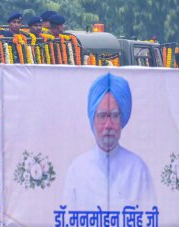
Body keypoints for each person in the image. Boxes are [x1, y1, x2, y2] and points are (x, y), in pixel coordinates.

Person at [63, 73, 155, 210]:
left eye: (114, 116)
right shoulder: (76, 170)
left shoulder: (138, 169)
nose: (108, 125)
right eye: (102, 116)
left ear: (122, 119)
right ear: (92, 119)